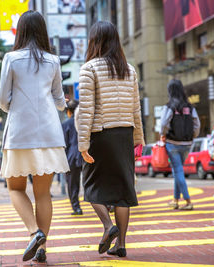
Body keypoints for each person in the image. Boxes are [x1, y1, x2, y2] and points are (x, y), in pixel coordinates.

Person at [0, 10, 69, 263]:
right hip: (49, 132)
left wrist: (12, 107)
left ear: (21, 31)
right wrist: (59, 103)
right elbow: (60, 101)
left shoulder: (11, 58)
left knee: (15, 188)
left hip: (19, 133)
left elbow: (4, 99)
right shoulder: (53, 61)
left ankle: (33, 231)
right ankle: (42, 248)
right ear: (43, 32)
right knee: (43, 194)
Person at [77, 21, 144, 258]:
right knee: (124, 189)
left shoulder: (89, 68)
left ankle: (108, 226)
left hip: (101, 134)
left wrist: (83, 144)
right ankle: (122, 244)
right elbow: (136, 108)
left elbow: (86, 111)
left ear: (94, 41)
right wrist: (138, 139)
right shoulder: (130, 70)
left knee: (91, 184)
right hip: (125, 134)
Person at [160, 79, 200, 210]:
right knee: (178, 170)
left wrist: (163, 134)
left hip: (172, 143)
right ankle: (175, 200)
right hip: (187, 144)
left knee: (178, 170)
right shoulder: (190, 106)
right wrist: (192, 137)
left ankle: (188, 201)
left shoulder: (170, 106)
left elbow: (163, 123)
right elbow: (197, 124)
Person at [62, 99, 83, 215]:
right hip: (87, 154)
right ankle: (106, 205)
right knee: (92, 181)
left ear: (69, 112)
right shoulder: (85, 121)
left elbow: (64, 143)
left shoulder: (65, 125)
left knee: (72, 184)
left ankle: (77, 208)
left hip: (71, 157)